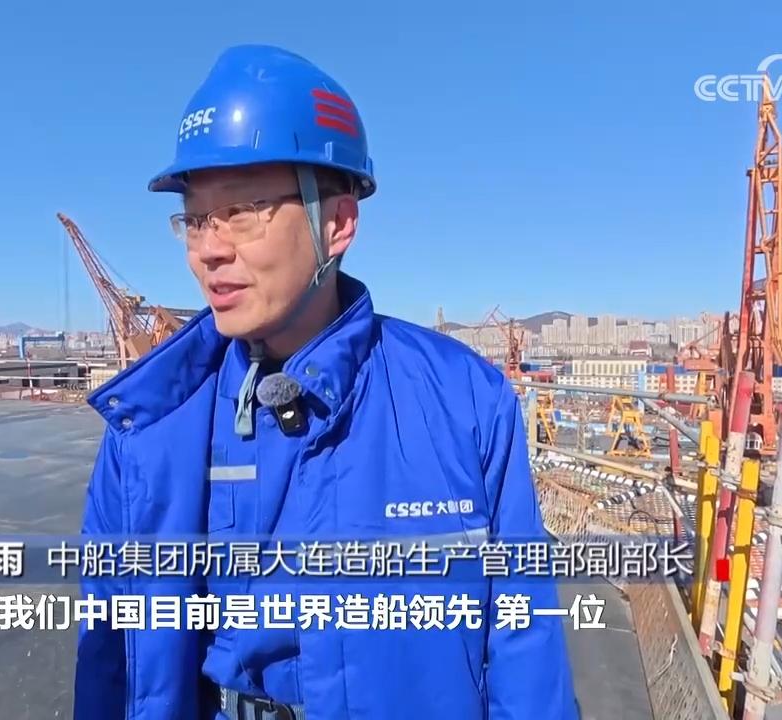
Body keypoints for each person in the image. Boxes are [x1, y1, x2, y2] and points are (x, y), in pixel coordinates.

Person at [75, 44, 578, 720]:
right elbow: (110, 661)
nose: (210, 249)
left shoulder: (463, 402)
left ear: (336, 223)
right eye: (195, 218)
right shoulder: (150, 428)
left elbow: (525, 648)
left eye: (244, 209)